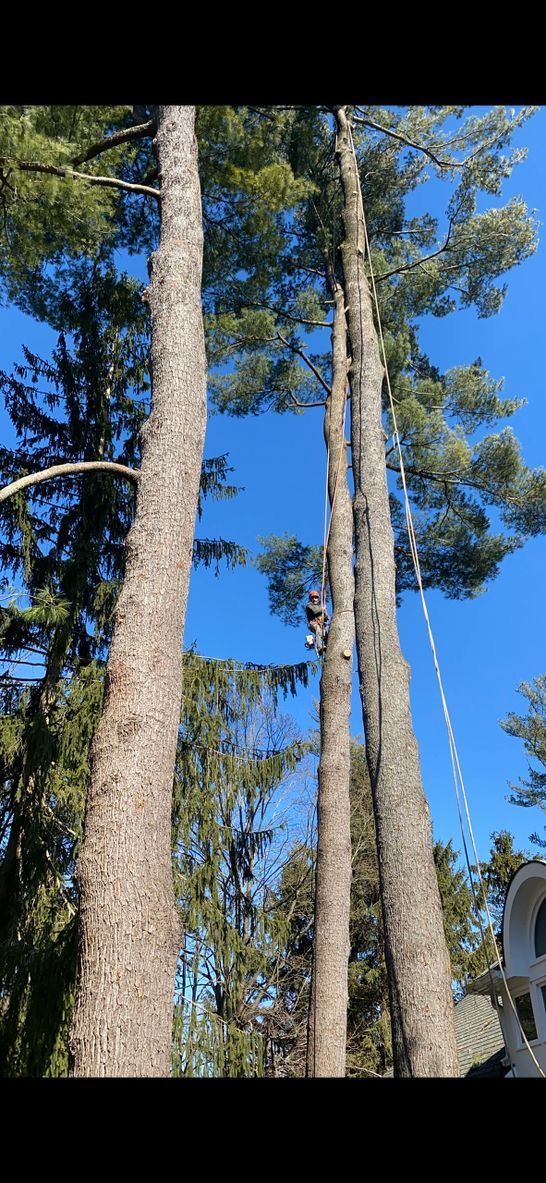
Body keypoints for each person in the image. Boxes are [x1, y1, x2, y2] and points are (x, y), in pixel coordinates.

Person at [304, 590, 329, 655]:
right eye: (313, 598)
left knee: (325, 635)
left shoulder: (320, 606)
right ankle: (320, 647)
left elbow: (326, 617)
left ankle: (327, 647)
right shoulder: (309, 605)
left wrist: (325, 616)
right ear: (310, 599)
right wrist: (322, 609)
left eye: (316, 597)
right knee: (318, 631)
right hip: (313, 623)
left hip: (321, 624)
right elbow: (315, 611)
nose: (315, 599)